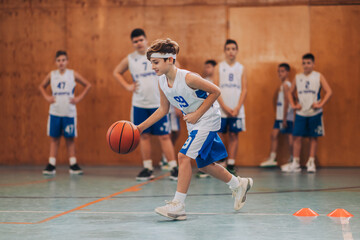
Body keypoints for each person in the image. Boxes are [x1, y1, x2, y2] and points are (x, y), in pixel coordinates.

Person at [137, 38, 253, 221]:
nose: (152, 67)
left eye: (156, 62)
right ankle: (238, 184)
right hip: (194, 122)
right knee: (205, 164)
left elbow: (215, 91)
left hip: (207, 118)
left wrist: (198, 114)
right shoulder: (161, 82)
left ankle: (178, 205)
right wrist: (139, 128)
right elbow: (163, 110)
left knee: (183, 157)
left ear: (170, 60)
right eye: (151, 63)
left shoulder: (188, 78)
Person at [113, 28, 178, 181]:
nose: (139, 43)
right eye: (135, 41)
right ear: (132, 43)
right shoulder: (130, 59)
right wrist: (128, 86)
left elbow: (175, 66)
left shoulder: (156, 55)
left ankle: (174, 167)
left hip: (159, 103)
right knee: (144, 136)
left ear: (146, 39)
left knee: (164, 136)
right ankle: (147, 168)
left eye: (141, 40)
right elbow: (116, 72)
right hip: (139, 104)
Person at [39, 50, 91, 175]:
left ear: (67, 61)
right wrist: (47, 97)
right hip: (55, 111)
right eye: (58, 60)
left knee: (70, 138)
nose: (61, 63)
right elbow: (41, 86)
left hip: (69, 112)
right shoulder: (52, 75)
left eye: (63, 60)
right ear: (55, 62)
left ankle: (73, 164)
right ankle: (51, 164)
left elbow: (87, 85)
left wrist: (78, 98)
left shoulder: (72, 74)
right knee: (54, 138)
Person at [286, 53, 332, 173]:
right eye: (304, 63)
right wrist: (294, 105)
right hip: (301, 112)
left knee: (313, 137)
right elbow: (290, 93)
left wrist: (320, 104)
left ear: (313, 64)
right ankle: (296, 162)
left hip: (314, 113)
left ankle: (311, 162)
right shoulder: (297, 77)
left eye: (308, 63)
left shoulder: (318, 76)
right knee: (297, 137)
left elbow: (329, 91)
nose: (306, 65)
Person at [213, 39, 247, 175]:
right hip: (222, 108)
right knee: (219, 134)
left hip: (236, 109)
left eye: (233, 49)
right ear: (225, 51)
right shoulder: (219, 67)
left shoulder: (241, 68)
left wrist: (238, 107)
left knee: (234, 135)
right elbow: (215, 88)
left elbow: (244, 89)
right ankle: (221, 162)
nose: (231, 51)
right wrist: (225, 107)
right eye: (228, 49)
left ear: (237, 51)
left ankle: (231, 163)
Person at [260, 63, 294, 169]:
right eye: (278, 71)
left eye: (282, 71)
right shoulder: (283, 85)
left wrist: (284, 118)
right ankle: (273, 158)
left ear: (288, 72)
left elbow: (287, 102)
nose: (280, 73)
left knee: (290, 137)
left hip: (286, 117)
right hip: (280, 117)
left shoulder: (286, 85)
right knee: (274, 135)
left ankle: (293, 159)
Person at [196, 59, 217, 178]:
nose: (206, 69)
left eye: (209, 67)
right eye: (206, 67)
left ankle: (215, 165)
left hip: (215, 114)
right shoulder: (203, 81)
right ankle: (208, 167)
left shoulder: (216, 81)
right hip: (206, 115)